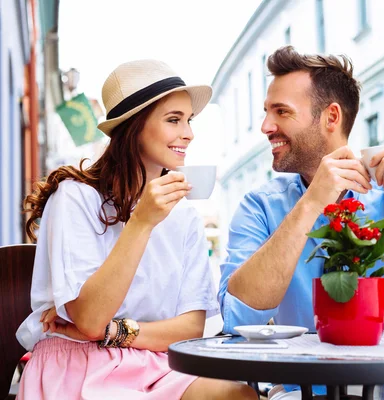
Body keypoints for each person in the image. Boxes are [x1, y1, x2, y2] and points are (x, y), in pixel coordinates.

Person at [218, 46, 384, 400]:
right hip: (303, 393)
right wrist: (312, 202)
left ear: (331, 117)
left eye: (281, 112)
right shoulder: (260, 206)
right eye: (266, 112)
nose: (265, 127)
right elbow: (239, 320)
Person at [16, 59, 256, 400]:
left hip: (156, 365)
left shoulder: (184, 215)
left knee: (238, 395)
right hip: (79, 365)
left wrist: (113, 331)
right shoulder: (75, 198)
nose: (188, 133)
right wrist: (141, 222)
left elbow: (190, 328)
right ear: (135, 125)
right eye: (174, 120)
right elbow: (88, 319)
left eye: (189, 120)